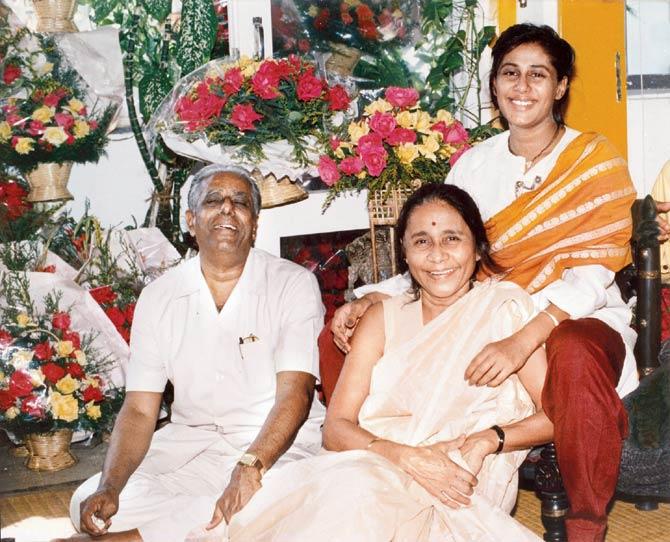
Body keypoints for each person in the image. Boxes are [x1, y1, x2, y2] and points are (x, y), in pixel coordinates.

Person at [326, 24, 640, 542]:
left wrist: (522, 337)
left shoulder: (594, 158)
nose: (522, 87)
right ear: (494, 86)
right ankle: (388, 462)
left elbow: (593, 270)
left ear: (561, 86)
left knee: (573, 353)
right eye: (509, 74)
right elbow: (446, 246)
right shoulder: (474, 163)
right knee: (342, 332)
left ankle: (587, 524)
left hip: (575, 316)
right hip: (478, 311)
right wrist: (370, 297)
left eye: (538, 75)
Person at [186, 183, 550, 542]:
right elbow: (336, 427)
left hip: (457, 480)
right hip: (377, 465)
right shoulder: (381, 319)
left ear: (477, 248)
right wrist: (406, 458)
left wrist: (491, 438)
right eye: (422, 241)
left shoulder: (505, 311)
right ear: (404, 253)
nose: (437, 255)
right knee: (346, 502)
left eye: (452, 238)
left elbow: (556, 416)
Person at [67, 165, 326, 542]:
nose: (226, 209)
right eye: (213, 200)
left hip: (273, 450)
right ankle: (193, 528)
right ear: (191, 221)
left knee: (266, 501)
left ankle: (136, 539)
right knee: (87, 501)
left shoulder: (292, 284)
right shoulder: (159, 297)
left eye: (240, 202)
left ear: (254, 224)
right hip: (191, 447)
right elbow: (140, 408)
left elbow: (296, 395)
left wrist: (250, 466)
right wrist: (110, 486)